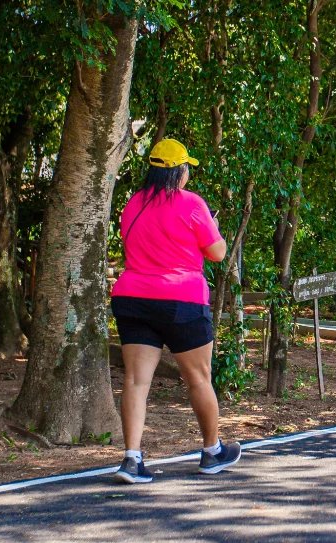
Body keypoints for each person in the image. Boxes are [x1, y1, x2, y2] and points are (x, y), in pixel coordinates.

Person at [110, 138, 241, 483]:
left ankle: (131, 460)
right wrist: (212, 227)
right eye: (187, 170)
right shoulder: (192, 204)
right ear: (181, 172)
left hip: (133, 298)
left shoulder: (132, 204)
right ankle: (212, 452)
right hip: (181, 299)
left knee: (136, 381)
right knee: (198, 378)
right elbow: (217, 253)